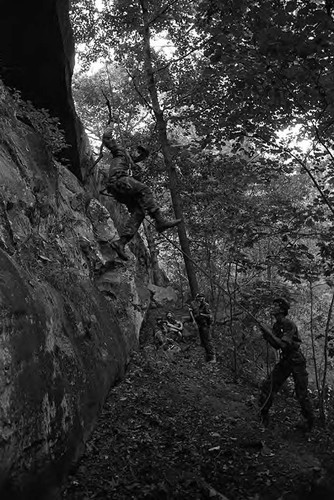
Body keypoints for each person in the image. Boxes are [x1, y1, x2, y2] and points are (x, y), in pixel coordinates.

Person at [101, 126, 182, 260]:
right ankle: (160, 221)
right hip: (118, 181)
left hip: (120, 189)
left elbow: (137, 159)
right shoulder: (120, 151)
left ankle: (120, 243)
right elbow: (106, 139)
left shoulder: (130, 163)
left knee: (139, 212)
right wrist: (111, 126)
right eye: (136, 150)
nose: (137, 153)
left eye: (139, 153)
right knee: (145, 189)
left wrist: (144, 154)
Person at [258, 297, 314, 431]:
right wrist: (266, 334)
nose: (273, 307)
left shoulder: (289, 324)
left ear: (282, 310)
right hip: (285, 360)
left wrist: (268, 333)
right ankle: (263, 416)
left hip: (296, 361)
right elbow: (276, 346)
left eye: (276, 305)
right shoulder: (277, 325)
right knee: (269, 385)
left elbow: (282, 344)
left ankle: (308, 423)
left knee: (301, 393)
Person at [189, 293, 216, 363]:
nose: (200, 299)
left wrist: (201, 314)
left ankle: (212, 357)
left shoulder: (206, 305)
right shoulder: (197, 304)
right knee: (203, 341)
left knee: (207, 340)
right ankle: (207, 357)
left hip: (205, 325)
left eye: (201, 297)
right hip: (200, 325)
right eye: (199, 297)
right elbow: (192, 310)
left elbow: (209, 315)